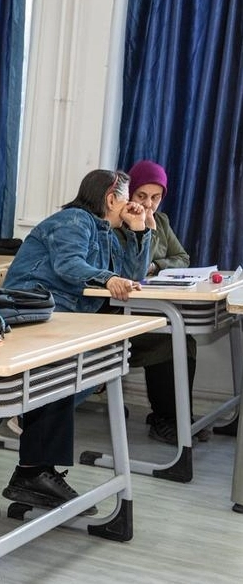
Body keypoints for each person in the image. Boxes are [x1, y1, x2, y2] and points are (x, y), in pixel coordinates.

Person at [0, 169, 152, 518]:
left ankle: (34, 472)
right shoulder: (74, 220)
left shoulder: (105, 232)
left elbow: (132, 277)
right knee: (1, 391)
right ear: (110, 198)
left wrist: (141, 232)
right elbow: (69, 265)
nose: (130, 204)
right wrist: (109, 278)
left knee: (65, 380)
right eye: (125, 197)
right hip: (27, 312)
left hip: (61, 318)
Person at [125, 159, 204, 443]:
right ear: (129, 193)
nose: (148, 204)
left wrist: (156, 267)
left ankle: (178, 416)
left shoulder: (162, 221)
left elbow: (183, 258)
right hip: (122, 312)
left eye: (155, 197)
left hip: (148, 307)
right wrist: (144, 232)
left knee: (184, 340)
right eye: (141, 195)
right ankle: (165, 419)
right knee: (169, 341)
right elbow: (133, 269)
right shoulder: (122, 221)